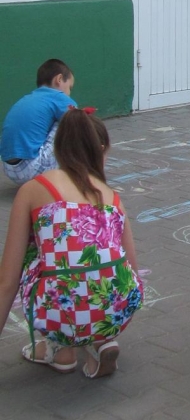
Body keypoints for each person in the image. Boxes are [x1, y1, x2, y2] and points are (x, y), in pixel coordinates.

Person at [0, 108, 143, 377]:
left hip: (58, 313)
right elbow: (133, 269)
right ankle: (100, 340)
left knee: (38, 255)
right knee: (99, 270)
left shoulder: (34, 189)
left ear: (58, 148)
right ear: (101, 150)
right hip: (118, 311)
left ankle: (59, 348)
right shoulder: (112, 197)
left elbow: (7, 281)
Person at [1, 59, 77, 185]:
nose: (69, 94)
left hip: (10, 169)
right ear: (59, 79)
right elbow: (81, 122)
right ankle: (78, 176)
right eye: (70, 88)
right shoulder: (58, 97)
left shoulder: (28, 98)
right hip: (32, 167)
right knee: (73, 119)